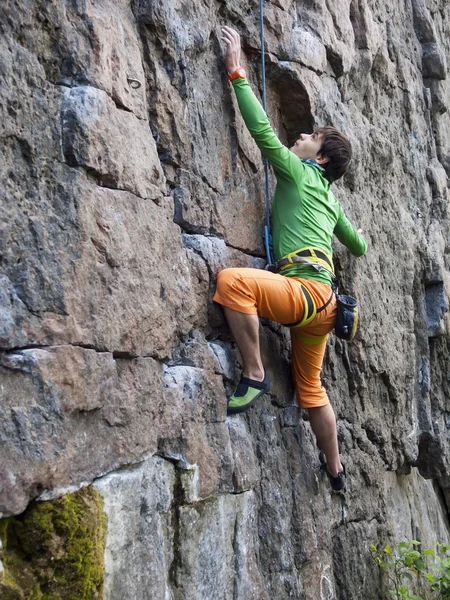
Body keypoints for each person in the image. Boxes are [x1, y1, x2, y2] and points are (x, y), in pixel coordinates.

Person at [214, 27, 368, 491]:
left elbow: (262, 131)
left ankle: (255, 372)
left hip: (301, 293)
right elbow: (357, 245)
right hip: (324, 305)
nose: (300, 136)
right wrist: (337, 229)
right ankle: (336, 472)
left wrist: (236, 70)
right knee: (312, 389)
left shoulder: (300, 173)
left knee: (232, 283)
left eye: (310, 136)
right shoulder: (332, 201)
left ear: (319, 158)